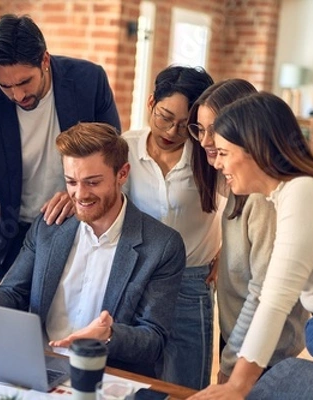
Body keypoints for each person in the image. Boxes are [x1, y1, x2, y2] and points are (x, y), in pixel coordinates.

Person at [0, 122, 185, 377]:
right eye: (71, 181)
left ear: (122, 174)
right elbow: (15, 292)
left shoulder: (161, 246)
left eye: (93, 182)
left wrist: (108, 335)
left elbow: (153, 340)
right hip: (37, 368)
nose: (80, 194)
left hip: (103, 377)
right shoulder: (50, 225)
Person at [190, 92, 313, 399]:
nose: (218, 164)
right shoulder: (295, 190)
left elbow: (275, 297)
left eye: (225, 153)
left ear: (254, 149)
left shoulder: (303, 192)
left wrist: (237, 385)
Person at [0, 14, 121, 289]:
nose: (18, 96)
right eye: (6, 86)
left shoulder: (88, 82)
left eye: (25, 82)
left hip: (85, 224)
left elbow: (113, 158)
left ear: (44, 60)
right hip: (17, 234)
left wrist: (79, 195)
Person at [188, 79, 309, 385]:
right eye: (199, 129)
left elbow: (264, 293)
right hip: (240, 338)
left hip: (263, 349)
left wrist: (230, 365)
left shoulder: (263, 197)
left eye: (214, 129)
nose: (204, 141)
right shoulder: (234, 184)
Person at [122, 65, 216, 389]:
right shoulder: (125, 148)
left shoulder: (208, 157)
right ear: (151, 103)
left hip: (190, 282)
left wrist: (226, 251)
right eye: (165, 117)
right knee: (135, 383)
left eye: (184, 125)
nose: (172, 131)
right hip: (137, 277)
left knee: (184, 387)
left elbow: (244, 203)